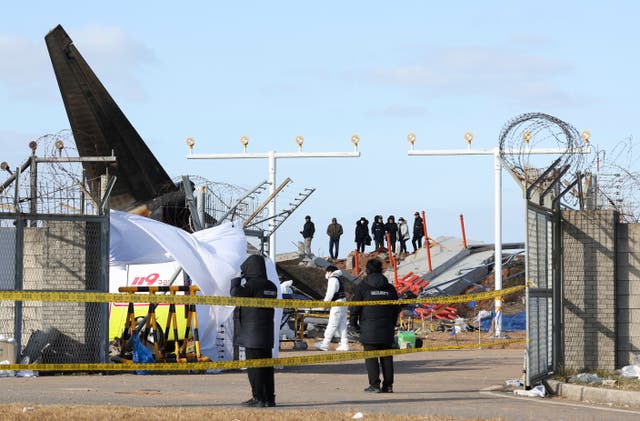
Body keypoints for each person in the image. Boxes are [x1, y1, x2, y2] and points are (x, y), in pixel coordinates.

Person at [230, 254, 279, 407]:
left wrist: (236, 279)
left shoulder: (251, 286)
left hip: (252, 334)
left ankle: (258, 398)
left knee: (254, 367)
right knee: (266, 367)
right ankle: (269, 398)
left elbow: (235, 293)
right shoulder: (271, 286)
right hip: (266, 333)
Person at [350, 258, 400, 393]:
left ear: (367, 270)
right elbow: (396, 309)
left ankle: (374, 385)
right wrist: (392, 324)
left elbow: (355, 308)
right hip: (386, 328)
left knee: (371, 357)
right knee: (387, 357)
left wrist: (353, 325)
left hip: (368, 328)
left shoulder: (362, 287)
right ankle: (388, 386)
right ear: (381, 270)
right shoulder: (390, 288)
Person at [314, 265, 350, 351]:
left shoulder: (333, 279)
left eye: (326, 272)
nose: (326, 274)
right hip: (343, 302)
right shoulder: (338, 279)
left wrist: (325, 305)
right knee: (342, 324)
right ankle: (344, 344)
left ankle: (325, 344)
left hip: (337, 304)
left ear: (330, 272)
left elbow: (330, 294)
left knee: (332, 323)